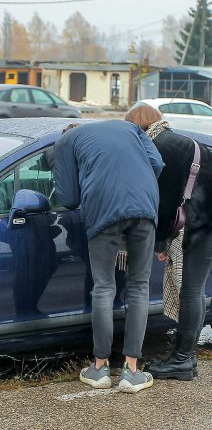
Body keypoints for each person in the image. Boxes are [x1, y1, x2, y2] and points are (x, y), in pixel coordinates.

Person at [54, 120, 164, 393]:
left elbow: (68, 198)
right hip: (144, 206)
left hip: (103, 210)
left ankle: (100, 368)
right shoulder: (128, 127)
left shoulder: (65, 142)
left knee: (103, 287)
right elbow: (157, 163)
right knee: (139, 287)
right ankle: (132, 371)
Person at [125, 103, 212, 380]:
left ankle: (183, 360)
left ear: (137, 125)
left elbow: (164, 201)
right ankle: (187, 358)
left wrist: (160, 242)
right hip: (206, 220)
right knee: (194, 289)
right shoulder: (188, 141)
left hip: (198, 224)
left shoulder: (160, 147)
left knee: (190, 290)